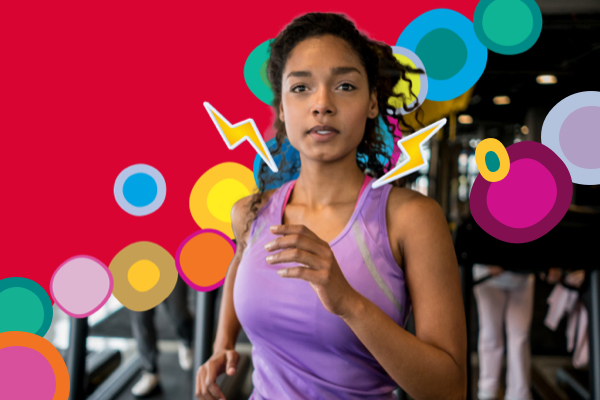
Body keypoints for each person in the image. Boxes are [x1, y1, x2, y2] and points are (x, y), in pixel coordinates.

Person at [196, 12, 467, 400]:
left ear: (372, 103)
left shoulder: (410, 219)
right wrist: (223, 342)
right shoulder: (251, 213)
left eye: (344, 85)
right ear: (282, 110)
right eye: (301, 88)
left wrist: (348, 303)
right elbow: (241, 262)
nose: (322, 104)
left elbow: (449, 389)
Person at [472, 264, 535, 400]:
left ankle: (519, 394)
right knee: (490, 334)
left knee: (520, 337)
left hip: (522, 276)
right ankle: (487, 391)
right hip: (488, 277)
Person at [130, 276, 194, 397]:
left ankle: (187, 341)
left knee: (180, 314)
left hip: (171, 264)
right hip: (139, 267)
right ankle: (150, 371)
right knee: (141, 319)